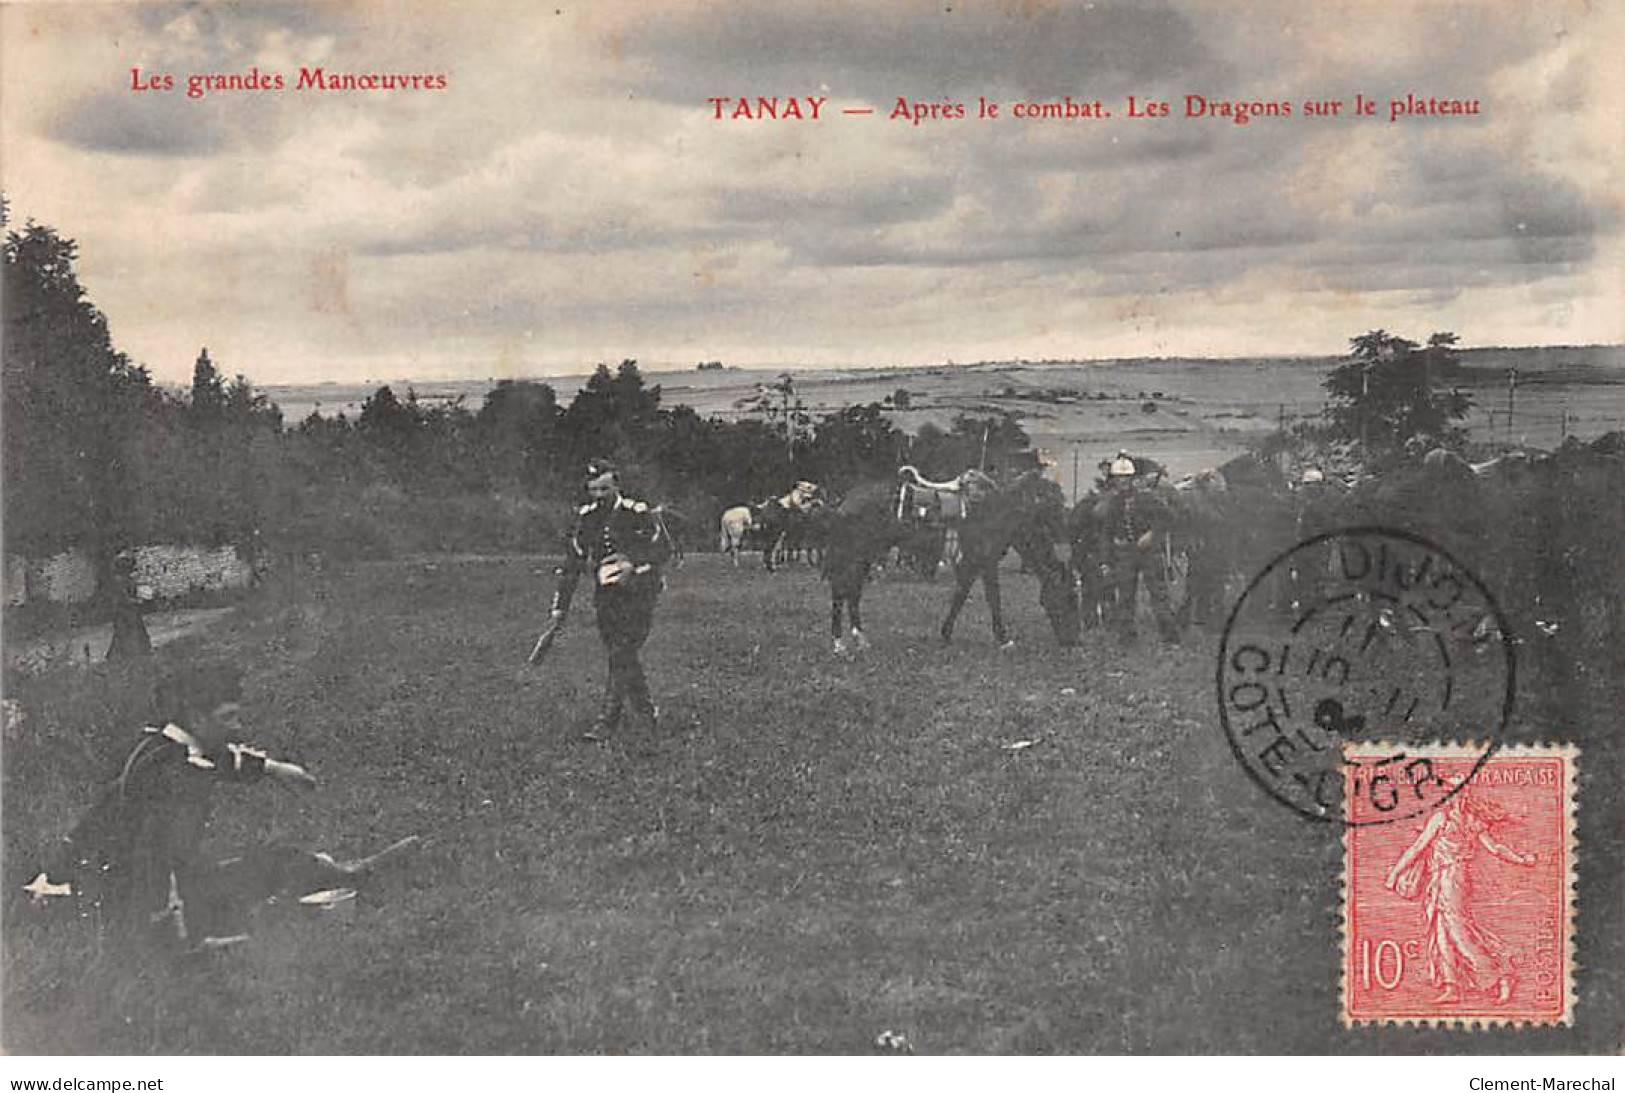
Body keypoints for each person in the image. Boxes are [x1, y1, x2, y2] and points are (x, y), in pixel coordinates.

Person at [23, 662, 415, 949]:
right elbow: (156, 857)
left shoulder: (161, 745)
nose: (238, 726)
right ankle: (347, 877)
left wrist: (277, 768)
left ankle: (335, 873)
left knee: (263, 864)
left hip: (107, 879)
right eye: (228, 717)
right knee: (266, 871)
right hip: (136, 895)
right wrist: (186, 936)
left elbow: (222, 757)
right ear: (196, 717)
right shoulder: (180, 777)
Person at [548, 459, 674, 741]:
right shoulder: (587, 518)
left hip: (641, 593)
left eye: (605, 489)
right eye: (594, 490)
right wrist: (560, 607)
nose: (599, 496)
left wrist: (634, 565)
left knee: (621, 652)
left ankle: (606, 722)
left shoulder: (638, 513)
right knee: (622, 655)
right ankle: (646, 711)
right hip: (606, 597)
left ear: (616, 484)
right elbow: (572, 565)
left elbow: (663, 550)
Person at [1384, 776, 1537, 1005]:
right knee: (1442, 931)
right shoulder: (1455, 819)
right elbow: (1419, 848)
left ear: (1463, 793)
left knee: (1457, 931)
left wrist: (1522, 860)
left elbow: (1493, 848)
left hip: (1452, 879)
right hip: (1444, 878)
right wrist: (1522, 859)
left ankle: (1499, 975)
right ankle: (1451, 985)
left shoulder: (1455, 820)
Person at [1094, 454, 1179, 646]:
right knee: (1125, 596)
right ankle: (1127, 639)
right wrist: (1106, 560)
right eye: (1118, 478)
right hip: (1125, 553)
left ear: (1132, 478)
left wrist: (1152, 533)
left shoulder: (1147, 497)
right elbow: (1106, 532)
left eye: (1125, 478)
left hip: (1149, 553)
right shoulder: (1114, 502)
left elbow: (1169, 518)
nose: (1121, 482)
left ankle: (1170, 638)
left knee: (1159, 594)